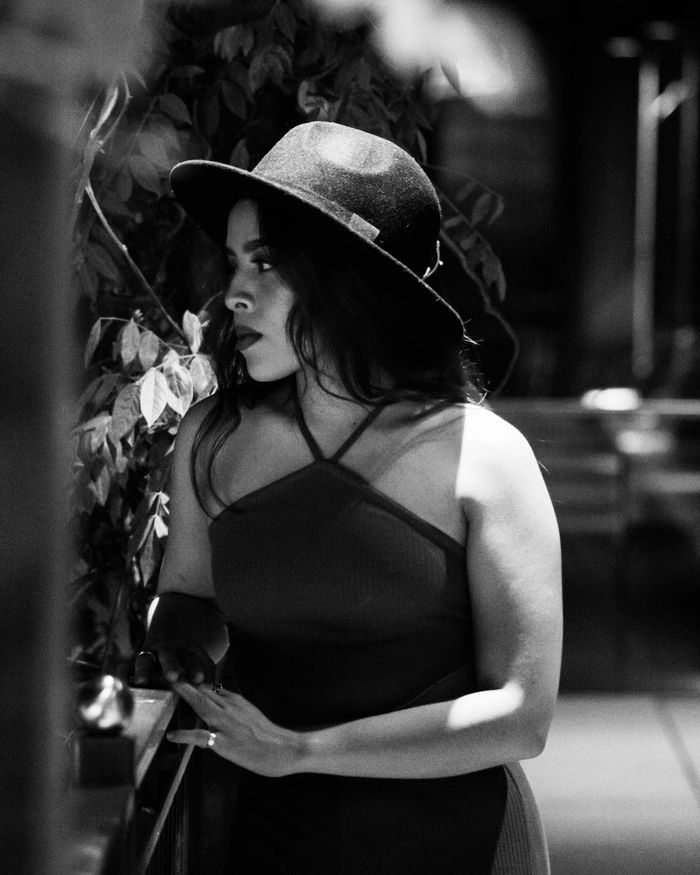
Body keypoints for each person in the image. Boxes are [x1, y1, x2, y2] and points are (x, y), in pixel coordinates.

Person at [134, 121, 562, 874]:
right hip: (259, 831)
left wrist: (302, 750)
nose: (233, 292)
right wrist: (174, 647)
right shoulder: (212, 435)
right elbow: (188, 599)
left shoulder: (485, 456)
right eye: (234, 261)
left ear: (347, 278)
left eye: (265, 262)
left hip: (451, 840)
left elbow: (521, 716)